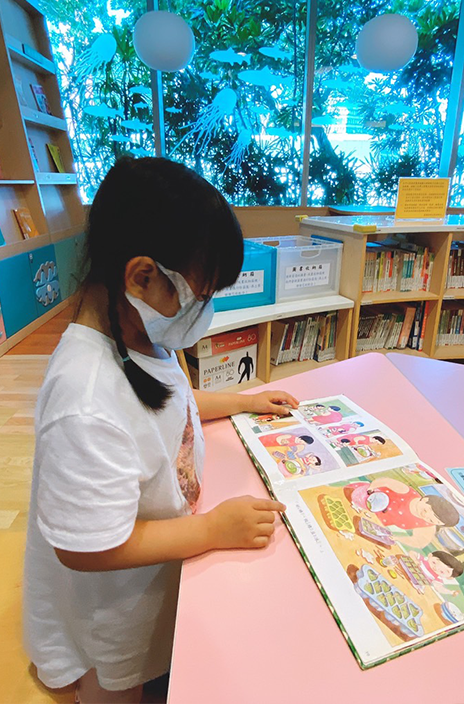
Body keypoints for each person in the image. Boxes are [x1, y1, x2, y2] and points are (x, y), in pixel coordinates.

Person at [24, 158, 297, 704]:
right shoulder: (85, 400)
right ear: (142, 276)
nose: (205, 312)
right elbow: (85, 550)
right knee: (117, 687)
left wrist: (243, 403)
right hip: (112, 606)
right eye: (200, 297)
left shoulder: (140, 335)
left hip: (155, 577)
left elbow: (167, 407)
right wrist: (212, 529)